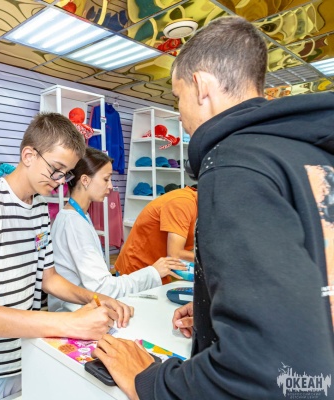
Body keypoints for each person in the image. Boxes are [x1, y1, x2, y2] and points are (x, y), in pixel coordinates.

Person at [93, 16, 334, 399]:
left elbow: (264, 367)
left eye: (178, 96)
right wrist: (215, 311)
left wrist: (151, 382)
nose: (180, 113)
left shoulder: (234, 163)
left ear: (201, 86)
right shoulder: (309, 154)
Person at [0, 112, 134, 400]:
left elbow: (48, 278)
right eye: (56, 169)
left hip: (19, 352)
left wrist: (94, 297)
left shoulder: (39, 206)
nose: (60, 181)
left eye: (66, 173)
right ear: (28, 155)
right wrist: (70, 324)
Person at [49, 147, 186, 312]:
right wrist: (153, 272)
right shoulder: (74, 223)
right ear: (85, 180)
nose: (111, 186)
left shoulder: (77, 216)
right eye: (106, 179)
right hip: (76, 313)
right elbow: (104, 289)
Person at [114, 186, 197, 284]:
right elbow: (175, 254)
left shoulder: (201, 208)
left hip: (160, 271)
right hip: (137, 272)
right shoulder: (182, 203)